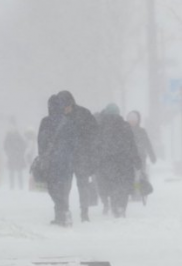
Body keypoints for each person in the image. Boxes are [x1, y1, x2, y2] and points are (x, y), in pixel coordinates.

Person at [55, 90, 98, 223]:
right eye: (63, 106)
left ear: (72, 103)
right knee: (65, 186)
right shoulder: (59, 116)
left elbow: (94, 133)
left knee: (82, 185)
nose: (65, 109)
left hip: (81, 155)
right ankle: (64, 210)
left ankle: (84, 212)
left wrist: (87, 147)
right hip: (66, 157)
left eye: (67, 106)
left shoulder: (83, 114)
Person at [96, 104, 141, 218]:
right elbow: (132, 145)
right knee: (123, 186)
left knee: (111, 185)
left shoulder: (101, 126)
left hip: (107, 162)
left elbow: (96, 145)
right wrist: (137, 160)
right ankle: (121, 207)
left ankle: (114, 205)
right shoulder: (125, 126)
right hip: (124, 162)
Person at [37, 95, 74, 226]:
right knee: (65, 188)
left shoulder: (45, 122)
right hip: (66, 162)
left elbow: (41, 141)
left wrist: (42, 156)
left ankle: (62, 213)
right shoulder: (68, 122)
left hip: (51, 161)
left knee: (53, 188)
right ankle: (62, 214)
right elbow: (73, 142)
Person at [126, 110, 156, 202]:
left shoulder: (142, 131)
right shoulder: (125, 130)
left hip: (140, 158)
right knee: (129, 176)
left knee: (138, 177)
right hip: (128, 158)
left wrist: (152, 155)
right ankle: (130, 192)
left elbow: (147, 143)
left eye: (134, 120)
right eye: (130, 119)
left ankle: (136, 192)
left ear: (138, 120)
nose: (132, 121)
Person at [3, 117, 27, 190]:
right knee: (12, 172)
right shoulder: (10, 135)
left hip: (17, 156)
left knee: (17, 172)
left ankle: (19, 187)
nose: (12, 127)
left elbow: (23, 145)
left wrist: (19, 152)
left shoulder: (17, 134)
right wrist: (9, 152)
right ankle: (12, 186)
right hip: (13, 155)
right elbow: (5, 146)